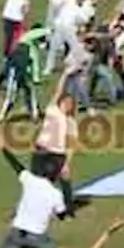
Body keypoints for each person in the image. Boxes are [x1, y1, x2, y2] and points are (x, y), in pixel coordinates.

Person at [33, 66, 79, 217]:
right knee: (40, 182)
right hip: (42, 150)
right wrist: (65, 74)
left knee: (64, 179)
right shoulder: (52, 110)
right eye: (65, 102)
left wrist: (67, 163)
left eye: (70, 103)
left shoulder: (71, 122)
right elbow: (58, 90)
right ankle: (39, 207)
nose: (67, 105)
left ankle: (69, 209)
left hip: (58, 154)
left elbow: (72, 145)